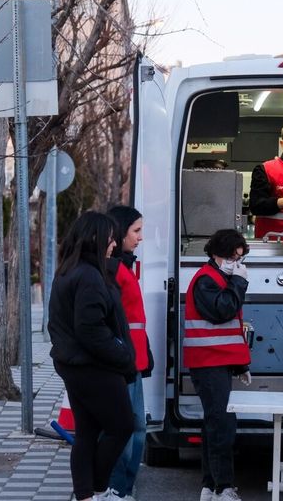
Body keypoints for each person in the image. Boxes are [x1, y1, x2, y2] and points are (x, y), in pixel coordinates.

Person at [48, 211, 137, 501]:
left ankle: (86, 495)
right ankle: (98, 489)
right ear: (96, 238)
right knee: (122, 426)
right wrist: (123, 355)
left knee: (87, 432)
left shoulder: (70, 270)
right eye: (111, 238)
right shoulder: (89, 276)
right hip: (93, 366)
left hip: (76, 364)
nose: (114, 244)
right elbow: (90, 329)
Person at [183, 229, 252, 501]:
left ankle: (211, 486)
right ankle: (223, 487)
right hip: (208, 362)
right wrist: (239, 282)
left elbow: (228, 328)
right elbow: (223, 310)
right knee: (222, 425)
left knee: (215, 423)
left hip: (216, 361)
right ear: (216, 255)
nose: (236, 264)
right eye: (232, 259)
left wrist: (240, 364)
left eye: (240, 259)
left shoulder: (218, 278)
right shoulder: (207, 280)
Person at [105, 206, 155, 501]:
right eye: (136, 231)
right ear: (120, 232)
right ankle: (116, 488)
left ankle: (123, 488)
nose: (140, 237)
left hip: (132, 361)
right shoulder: (113, 270)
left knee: (137, 427)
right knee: (125, 428)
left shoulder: (124, 268)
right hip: (122, 362)